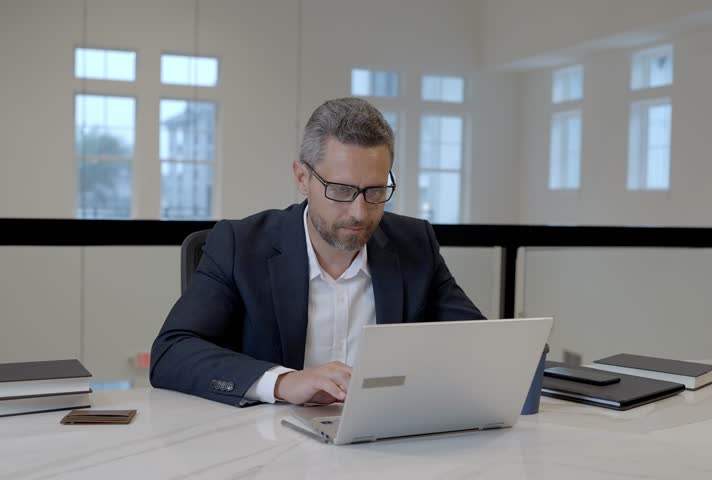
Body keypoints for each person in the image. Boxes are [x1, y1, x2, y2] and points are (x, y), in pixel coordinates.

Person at [150, 97, 484, 407]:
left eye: (376, 191)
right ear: (302, 177)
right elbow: (172, 352)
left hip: (384, 441)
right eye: (341, 190)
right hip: (267, 447)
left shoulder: (414, 244)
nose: (359, 212)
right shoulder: (241, 245)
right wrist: (284, 382)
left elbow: (482, 344)